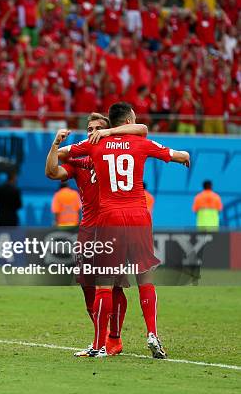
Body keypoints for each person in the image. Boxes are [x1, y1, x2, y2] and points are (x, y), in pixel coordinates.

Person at [61, 102, 190, 358]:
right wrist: (184, 157)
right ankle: (152, 332)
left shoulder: (95, 143)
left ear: (111, 123)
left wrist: (64, 144)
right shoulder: (142, 143)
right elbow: (178, 155)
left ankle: (98, 346)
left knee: (104, 285)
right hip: (138, 215)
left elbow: (65, 153)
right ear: (129, 119)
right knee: (145, 277)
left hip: (109, 216)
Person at [46, 112, 148, 357]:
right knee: (88, 289)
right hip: (86, 233)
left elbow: (142, 130)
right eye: (89, 129)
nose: (93, 133)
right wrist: (55, 144)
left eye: (97, 128)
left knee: (114, 287)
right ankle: (101, 340)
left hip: (112, 230)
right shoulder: (80, 159)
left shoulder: (120, 155)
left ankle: (112, 340)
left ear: (108, 131)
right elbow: (52, 172)